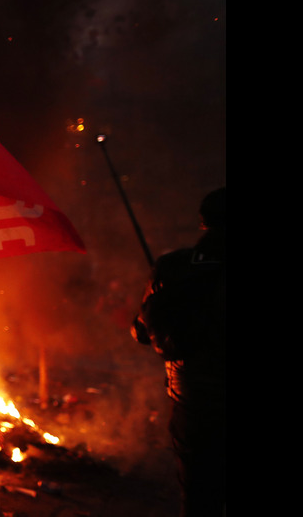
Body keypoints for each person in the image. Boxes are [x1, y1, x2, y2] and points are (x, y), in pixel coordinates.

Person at [131, 187, 225, 516]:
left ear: (203, 223)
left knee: (198, 498)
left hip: (192, 405)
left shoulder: (172, 266)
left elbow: (142, 332)